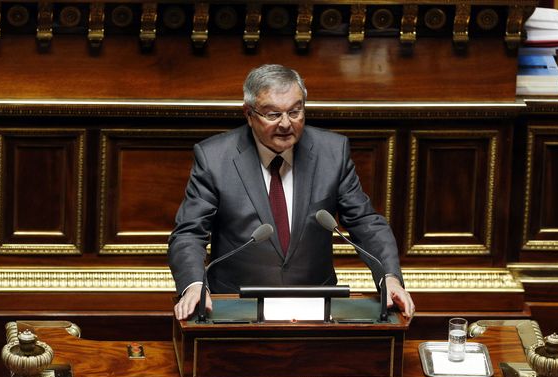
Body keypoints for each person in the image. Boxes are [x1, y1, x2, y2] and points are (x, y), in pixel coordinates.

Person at [169, 64, 415, 320]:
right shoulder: (214, 158)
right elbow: (189, 232)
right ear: (249, 114)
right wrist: (194, 284)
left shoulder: (332, 152)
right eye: (273, 114)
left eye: (295, 112)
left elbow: (365, 222)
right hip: (237, 306)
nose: (286, 124)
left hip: (317, 306)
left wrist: (390, 277)